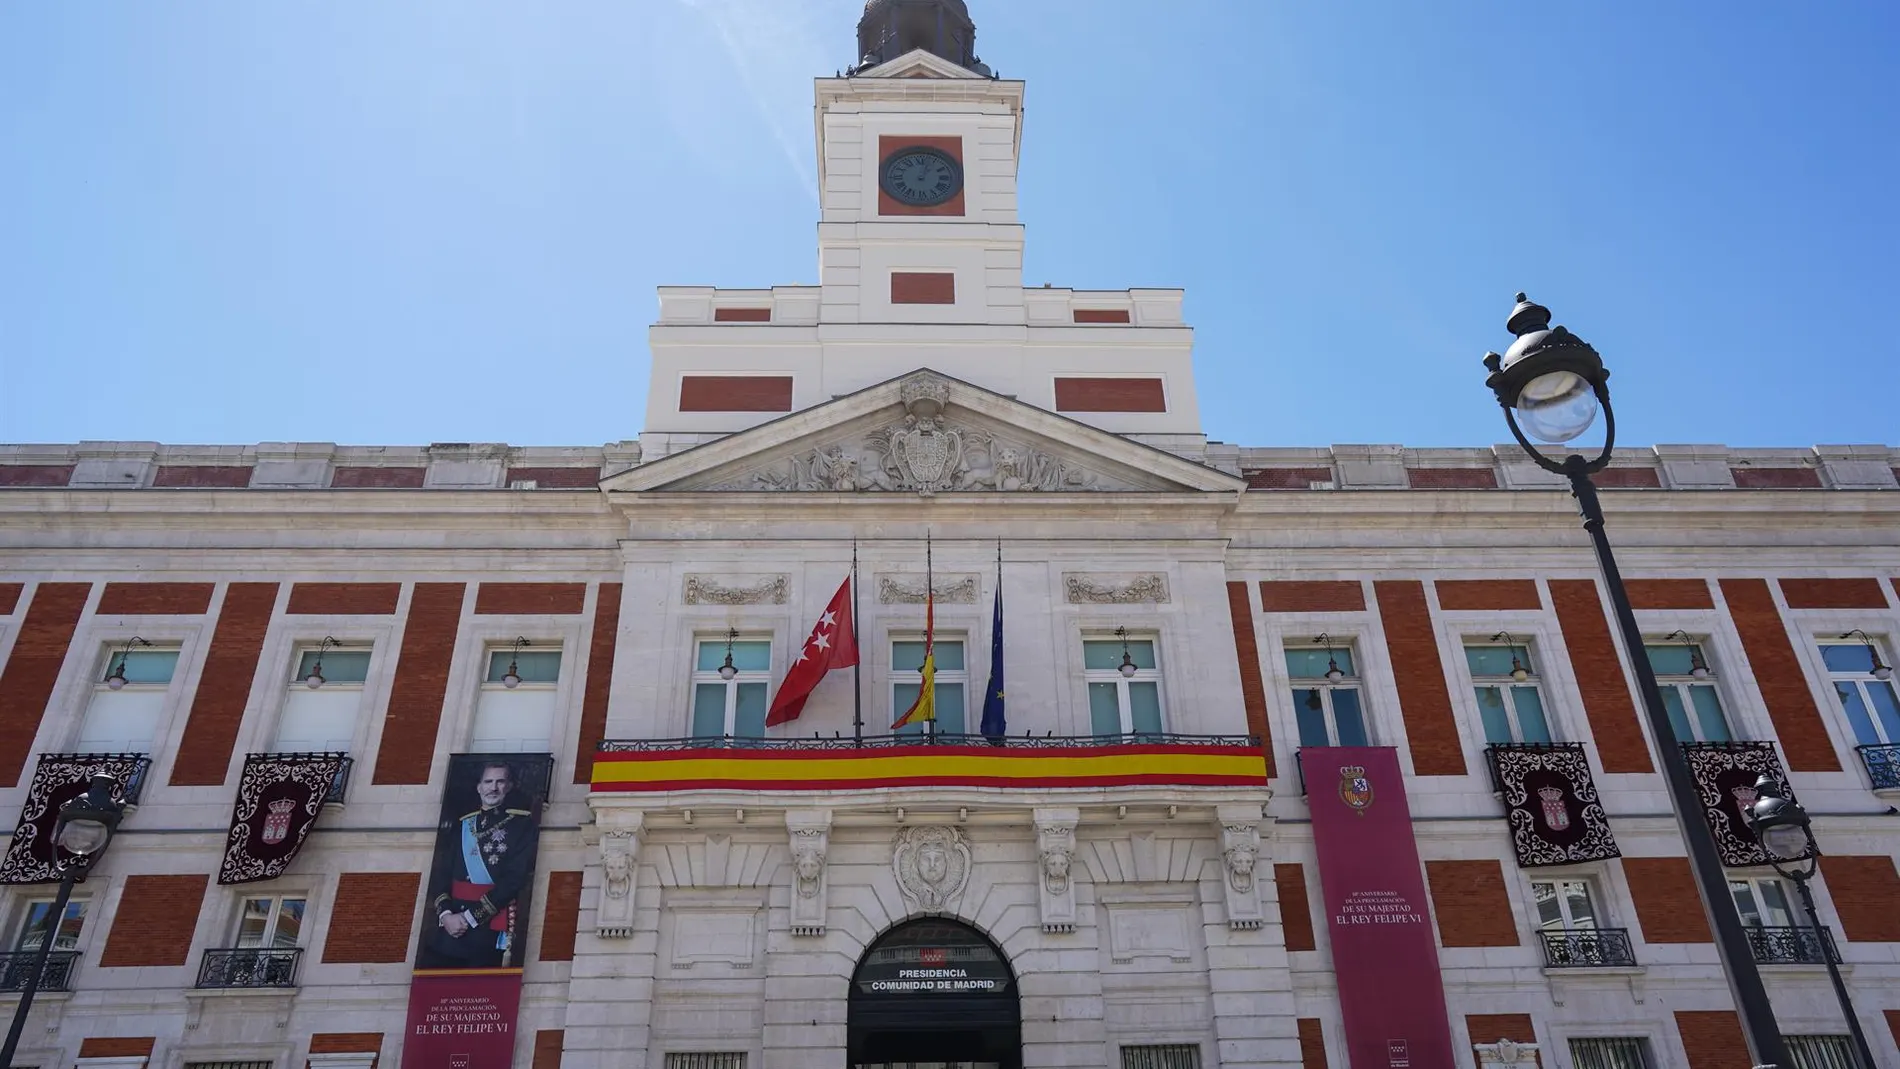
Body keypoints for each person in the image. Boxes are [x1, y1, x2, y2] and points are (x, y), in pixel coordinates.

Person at [421, 761, 538, 968]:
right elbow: (442, 873)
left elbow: (514, 879)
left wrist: (469, 918)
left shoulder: (521, 826)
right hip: (449, 930)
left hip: (487, 930)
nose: (493, 788)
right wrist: (446, 915)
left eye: (500, 782)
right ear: (479, 787)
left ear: (509, 786)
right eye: (488, 781)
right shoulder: (462, 825)